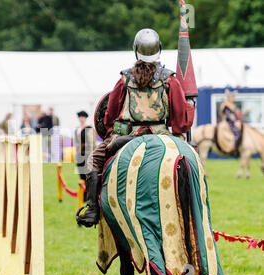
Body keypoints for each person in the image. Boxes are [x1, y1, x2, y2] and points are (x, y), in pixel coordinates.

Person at [76, 28, 195, 228]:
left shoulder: (124, 79)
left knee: (94, 159)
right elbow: (180, 123)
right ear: (159, 50)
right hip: (161, 136)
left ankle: (92, 209)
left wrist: (111, 130)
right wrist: (189, 107)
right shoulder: (170, 80)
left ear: (135, 50)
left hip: (127, 136)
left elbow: (110, 115)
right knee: (189, 157)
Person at [74, 111, 96, 181]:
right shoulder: (77, 129)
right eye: (80, 117)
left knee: (88, 174)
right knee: (81, 175)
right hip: (79, 154)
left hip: (87, 154)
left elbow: (92, 142)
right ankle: (83, 190)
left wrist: (92, 154)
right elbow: (76, 143)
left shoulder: (89, 128)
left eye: (83, 117)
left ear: (85, 118)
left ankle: (87, 191)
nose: (81, 119)